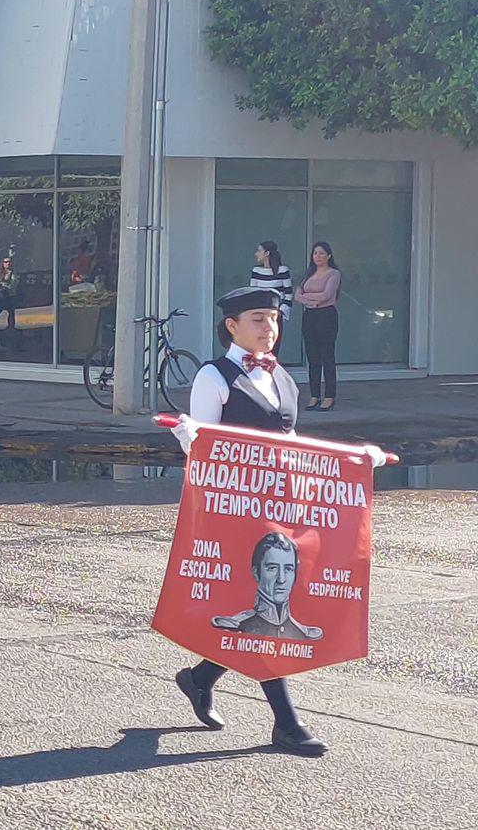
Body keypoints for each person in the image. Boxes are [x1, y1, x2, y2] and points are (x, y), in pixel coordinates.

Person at [167, 286, 384, 758]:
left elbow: (295, 448)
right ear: (232, 326)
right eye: (259, 319)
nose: (270, 329)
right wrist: (189, 438)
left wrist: (356, 460)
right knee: (268, 603)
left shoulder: (282, 376)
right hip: (234, 512)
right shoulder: (214, 375)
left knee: (274, 596)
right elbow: (206, 451)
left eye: (274, 319)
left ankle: (200, 677)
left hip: (280, 506)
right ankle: (287, 724)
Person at [211, 532, 324, 640]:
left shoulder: (303, 635)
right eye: (272, 568)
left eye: (288, 569)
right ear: (256, 573)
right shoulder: (234, 629)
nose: (281, 579)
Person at [296, 241, 341, 412]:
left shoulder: (334, 274)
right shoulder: (309, 273)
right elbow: (297, 295)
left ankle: (329, 396)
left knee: (327, 356)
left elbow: (327, 295)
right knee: (312, 357)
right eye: (315, 253)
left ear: (329, 255)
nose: (318, 257)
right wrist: (310, 300)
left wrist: (309, 298)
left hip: (326, 316)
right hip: (310, 316)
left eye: (322, 253)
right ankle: (315, 395)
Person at [250, 241, 293, 357]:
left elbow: (288, 294)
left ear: (267, 253)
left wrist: (280, 312)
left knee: (273, 347)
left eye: (259, 251)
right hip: (260, 315)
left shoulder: (283, 270)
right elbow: (253, 293)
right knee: (259, 347)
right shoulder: (256, 271)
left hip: (275, 315)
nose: (256, 254)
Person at [0, 255, 19, 331]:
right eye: (6, 262)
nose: (8, 263)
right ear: (3, 263)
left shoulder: (13, 272)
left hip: (11, 295)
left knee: (11, 312)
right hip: (1, 296)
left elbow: (13, 284)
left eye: (9, 262)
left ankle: (11, 328)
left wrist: (4, 284)